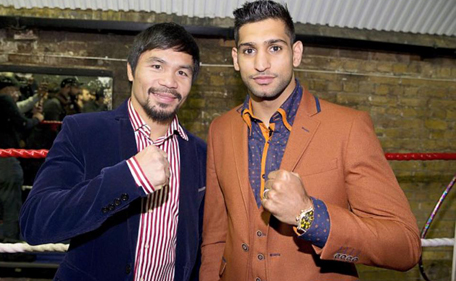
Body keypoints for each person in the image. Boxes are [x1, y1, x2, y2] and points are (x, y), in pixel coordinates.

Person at [200, 1, 421, 281]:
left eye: (275, 48)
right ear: (235, 58)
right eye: (249, 50)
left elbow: (405, 246)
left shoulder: (348, 127)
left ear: (296, 53)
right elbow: (215, 236)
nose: (261, 63)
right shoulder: (221, 129)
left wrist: (309, 216)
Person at [20, 22, 206, 281]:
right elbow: (35, 223)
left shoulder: (200, 153)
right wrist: (129, 177)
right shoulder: (84, 131)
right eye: (156, 66)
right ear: (131, 70)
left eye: (182, 72)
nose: (169, 82)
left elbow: (197, 248)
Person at [0, 75, 43, 242]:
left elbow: (18, 109)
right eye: (15, 90)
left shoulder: (4, 105)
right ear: (8, 89)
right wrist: (36, 119)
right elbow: (22, 124)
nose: (17, 94)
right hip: (5, 160)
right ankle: (11, 244)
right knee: (11, 202)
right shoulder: (4, 100)